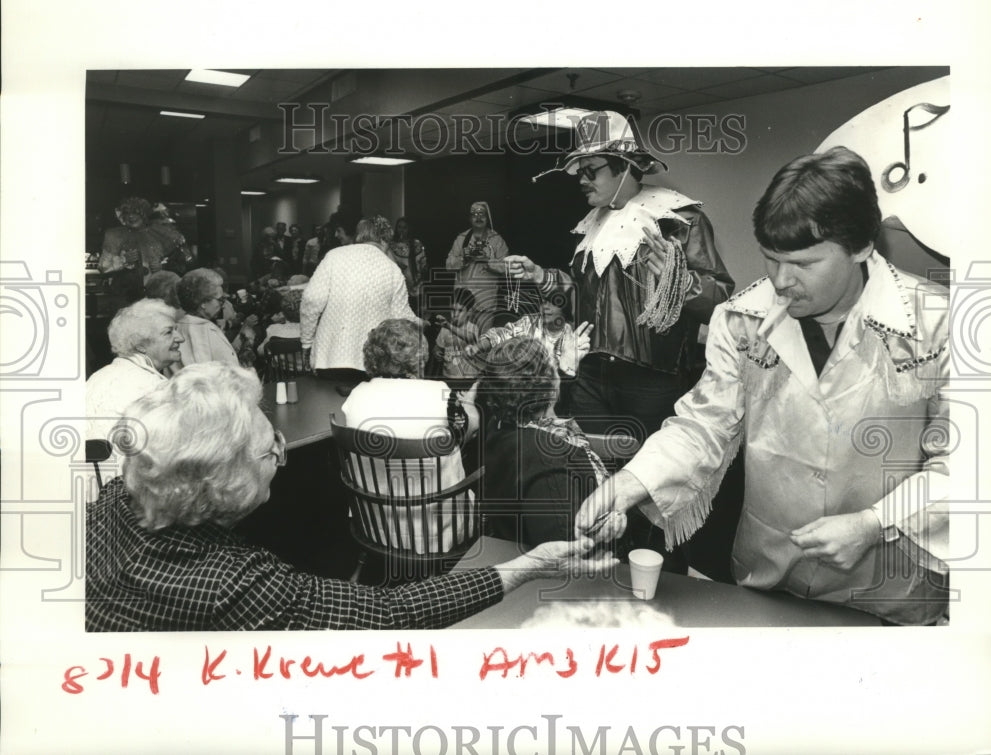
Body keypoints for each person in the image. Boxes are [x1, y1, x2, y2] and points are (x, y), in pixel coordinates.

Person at [575, 147, 950, 626]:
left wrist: (875, 524)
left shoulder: (939, 325)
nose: (781, 280)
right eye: (771, 259)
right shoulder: (742, 319)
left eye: (804, 264)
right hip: (772, 577)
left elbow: (967, 463)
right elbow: (703, 425)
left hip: (888, 591)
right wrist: (630, 482)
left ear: (861, 248)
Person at [84, 363, 615, 631]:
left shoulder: (108, 503)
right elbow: (391, 613)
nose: (279, 450)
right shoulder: (233, 587)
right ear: (224, 487)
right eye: (270, 451)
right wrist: (528, 566)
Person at [508, 110, 734, 440]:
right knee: (592, 465)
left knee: (647, 475)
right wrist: (542, 276)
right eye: (579, 171)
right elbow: (583, 296)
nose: (581, 179)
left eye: (590, 170)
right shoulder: (589, 226)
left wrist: (681, 284)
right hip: (591, 377)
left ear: (624, 165)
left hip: (651, 380)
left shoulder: (678, 219)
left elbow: (721, 300)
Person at [342, 319, 479, 556]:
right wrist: (469, 404)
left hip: (374, 524)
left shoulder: (355, 396)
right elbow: (468, 431)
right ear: (420, 356)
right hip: (435, 531)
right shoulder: (439, 394)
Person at [477, 337, 610, 549]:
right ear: (548, 387)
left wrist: (566, 367)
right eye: (552, 365)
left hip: (509, 539)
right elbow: (563, 549)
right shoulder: (547, 456)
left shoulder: (501, 424)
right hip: (572, 567)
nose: (557, 367)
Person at [300, 216, 419, 387]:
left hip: (329, 356)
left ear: (359, 235)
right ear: (385, 240)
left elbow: (311, 299)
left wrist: (307, 342)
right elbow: (400, 318)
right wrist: (420, 323)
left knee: (326, 409)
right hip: (372, 362)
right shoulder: (392, 269)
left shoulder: (334, 256)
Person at [85, 298, 183, 440]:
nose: (181, 338)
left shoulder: (98, 376)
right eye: (168, 332)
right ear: (140, 345)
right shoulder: (154, 387)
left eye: (176, 330)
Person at [445, 201, 510, 327]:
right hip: (463, 303)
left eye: (482, 214)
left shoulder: (497, 240)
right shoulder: (461, 239)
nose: (478, 217)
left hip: (486, 300)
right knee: (461, 339)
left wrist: (487, 260)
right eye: (475, 214)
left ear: (487, 218)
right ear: (470, 218)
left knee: (482, 340)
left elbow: (506, 267)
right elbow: (448, 265)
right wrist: (464, 259)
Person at [176, 268, 257, 367]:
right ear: (203, 303)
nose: (223, 305)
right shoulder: (206, 330)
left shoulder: (177, 327)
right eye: (220, 300)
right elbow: (228, 368)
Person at [388, 218, 428, 306]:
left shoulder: (416, 244)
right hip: (399, 284)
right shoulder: (391, 245)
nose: (401, 230)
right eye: (399, 227)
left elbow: (423, 264)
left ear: (409, 229)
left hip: (416, 284)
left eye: (405, 227)